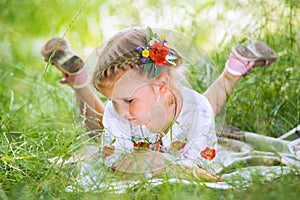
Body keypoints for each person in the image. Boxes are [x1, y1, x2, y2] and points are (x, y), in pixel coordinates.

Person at [41, 27, 277, 180]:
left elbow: (200, 172)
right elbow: (115, 162)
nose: (119, 111)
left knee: (198, 112)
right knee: (102, 131)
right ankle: (234, 69)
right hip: (163, 132)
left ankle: (79, 79)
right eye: (112, 100)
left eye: (128, 100)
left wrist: (157, 164)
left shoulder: (195, 111)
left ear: (162, 87)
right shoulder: (120, 112)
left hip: (183, 121)